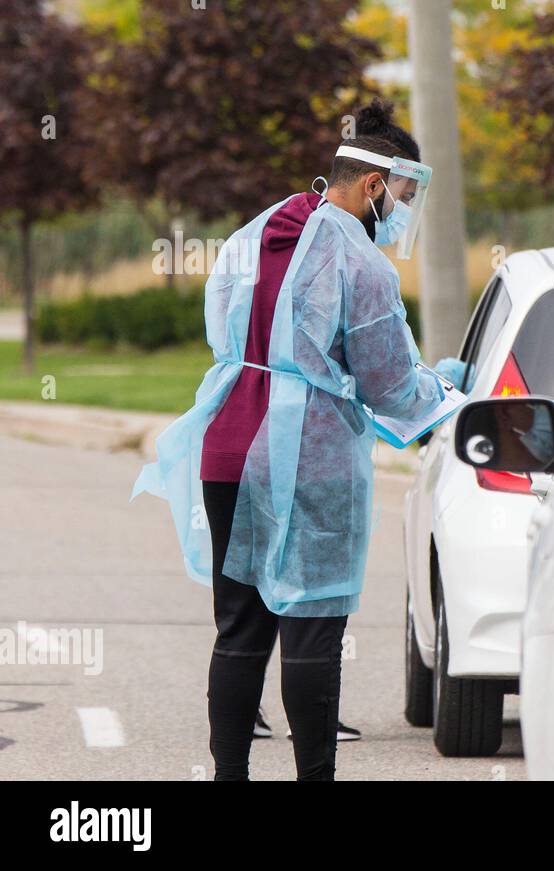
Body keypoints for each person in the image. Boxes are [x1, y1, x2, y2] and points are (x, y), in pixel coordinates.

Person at [133, 100, 461, 780]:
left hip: (227, 441)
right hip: (308, 455)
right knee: (312, 625)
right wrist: (447, 392)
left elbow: (226, 324)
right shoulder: (365, 267)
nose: (400, 210)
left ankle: (230, 777)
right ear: (374, 184)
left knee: (241, 627)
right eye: (400, 195)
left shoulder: (253, 234)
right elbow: (389, 384)